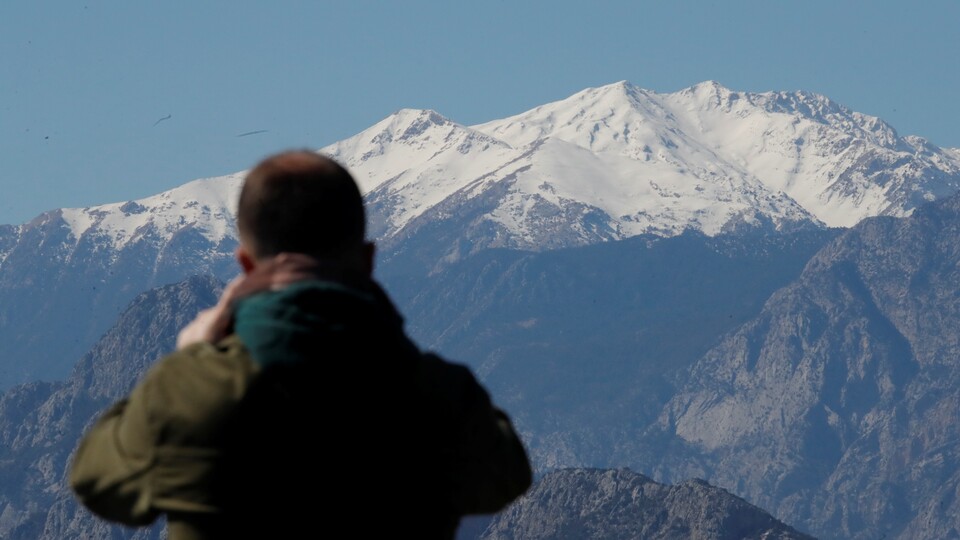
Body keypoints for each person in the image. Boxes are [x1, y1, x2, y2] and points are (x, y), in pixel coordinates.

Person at [68, 149, 533, 539]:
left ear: (245, 266)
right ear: (369, 261)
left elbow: (97, 480)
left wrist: (192, 360)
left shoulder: (190, 394)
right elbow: (506, 475)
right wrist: (388, 339)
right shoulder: (439, 398)